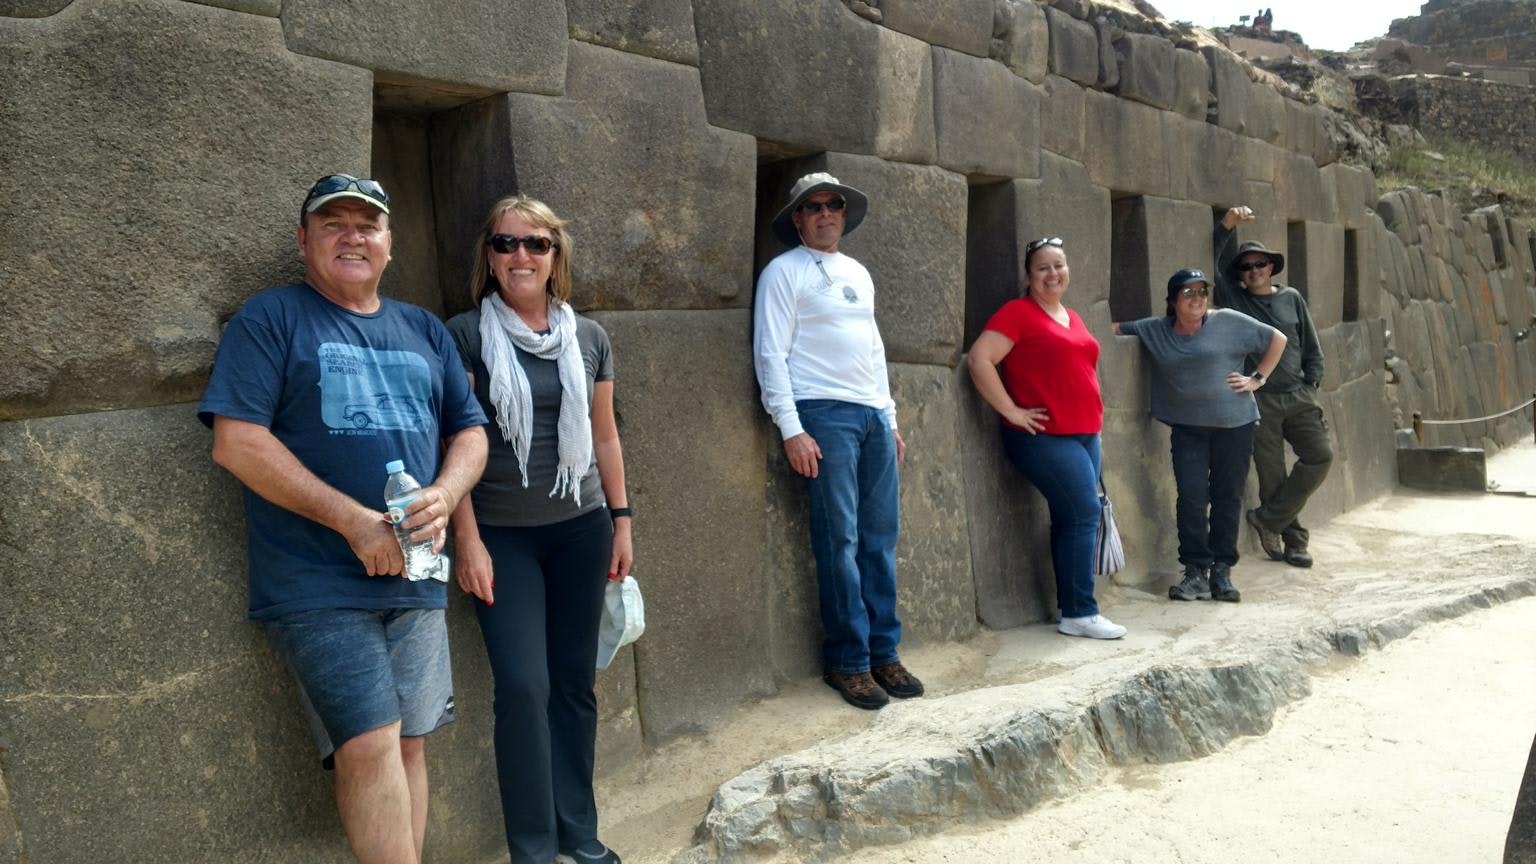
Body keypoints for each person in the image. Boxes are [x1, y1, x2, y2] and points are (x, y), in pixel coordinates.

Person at [200, 174, 489, 864]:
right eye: (334, 224)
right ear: (304, 242)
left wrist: (446, 496)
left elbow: (470, 433)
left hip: (417, 574)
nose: (353, 236)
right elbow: (236, 442)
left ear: (390, 244)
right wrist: (353, 522)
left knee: (410, 742)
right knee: (368, 742)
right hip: (317, 579)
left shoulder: (421, 327)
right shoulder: (270, 319)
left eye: (368, 225)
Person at [446, 195, 632, 864]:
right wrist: (464, 540)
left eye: (535, 243)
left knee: (574, 684)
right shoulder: (464, 334)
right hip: (502, 536)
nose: (520, 255)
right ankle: (531, 846)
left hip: (581, 529)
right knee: (524, 687)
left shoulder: (589, 338)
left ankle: (578, 832)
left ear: (556, 256)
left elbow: (605, 436)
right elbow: (454, 441)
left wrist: (621, 520)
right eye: (505, 243)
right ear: (489, 259)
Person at [753, 172, 922, 711]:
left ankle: (883, 652)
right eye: (813, 206)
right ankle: (848, 662)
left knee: (880, 537)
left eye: (834, 205)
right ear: (798, 218)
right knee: (839, 540)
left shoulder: (858, 273)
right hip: (822, 412)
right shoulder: (784, 272)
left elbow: (873, 349)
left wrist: (889, 416)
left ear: (844, 214)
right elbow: (769, 353)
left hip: (871, 414)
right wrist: (791, 427)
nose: (825, 213)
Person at [966, 237, 1126, 640]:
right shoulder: (1017, 313)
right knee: (1084, 513)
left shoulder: (1072, 316)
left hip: (1085, 435)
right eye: (1042, 267)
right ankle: (1080, 613)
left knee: (1071, 517)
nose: (1052, 274)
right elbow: (980, 358)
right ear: (1028, 276)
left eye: (1059, 265)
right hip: (1043, 436)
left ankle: (1071, 608)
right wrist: (1010, 410)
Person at [1114, 269, 1287, 602]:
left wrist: (1257, 378)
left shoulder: (1228, 321)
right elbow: (1114, 330)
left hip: (1234, 424)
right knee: (1192, 497)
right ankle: (1195, 572)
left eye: (1202, 291)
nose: (1197, 298)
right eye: (1188, 292)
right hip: (1188, 427)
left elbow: (1277, 339)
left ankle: (1222, 571)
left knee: (1227, 496)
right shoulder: (1155, 329)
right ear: (1173, 300)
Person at [1215, 206, 1331, 568]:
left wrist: (1312, 382)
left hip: (1298, 395)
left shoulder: (1291, 297)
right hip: (1259, 399)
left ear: (1271, 267)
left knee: (1320, 456)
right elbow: (1215, 267)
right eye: (1247, 267)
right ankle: (1294, 541)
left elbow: (1311, 345)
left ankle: (1267, 520)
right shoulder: (1237, 300)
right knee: (1272, 474)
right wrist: (1225, 227)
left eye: (1260, 264)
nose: (1254, 271)